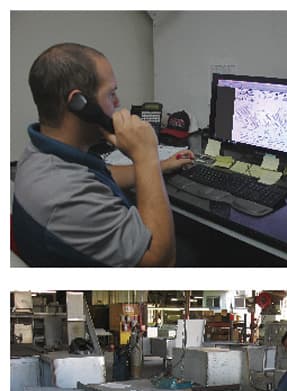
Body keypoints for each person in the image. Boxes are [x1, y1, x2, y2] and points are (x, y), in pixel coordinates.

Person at [13, 42, 193, 267]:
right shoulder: (64, 195)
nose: (117, 103)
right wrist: (145, 155)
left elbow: (100, 176)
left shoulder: (38, 154)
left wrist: (161, 166)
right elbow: (161, 263)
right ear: (79, 103)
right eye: (111, 93)